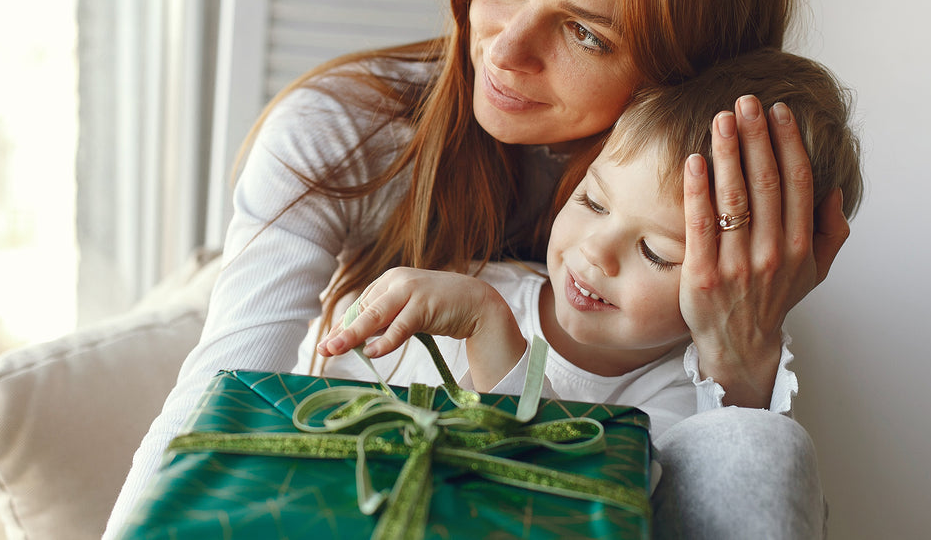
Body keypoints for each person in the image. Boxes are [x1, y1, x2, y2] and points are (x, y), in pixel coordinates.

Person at [104, 0, 852, 537]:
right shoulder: (341, 135)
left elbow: (680, 504)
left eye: (585, 32)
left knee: (770, 448)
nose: (504, 48)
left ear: (685, 78)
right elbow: (215, 404)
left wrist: (741, 363)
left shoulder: (690, 237)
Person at [311, 49, 863, 481]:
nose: (595, 251)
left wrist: (492, 334)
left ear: (739, 283)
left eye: (657, 254)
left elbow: (579, 496)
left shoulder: (677, 400)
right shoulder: (470, 284)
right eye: (593, 202)